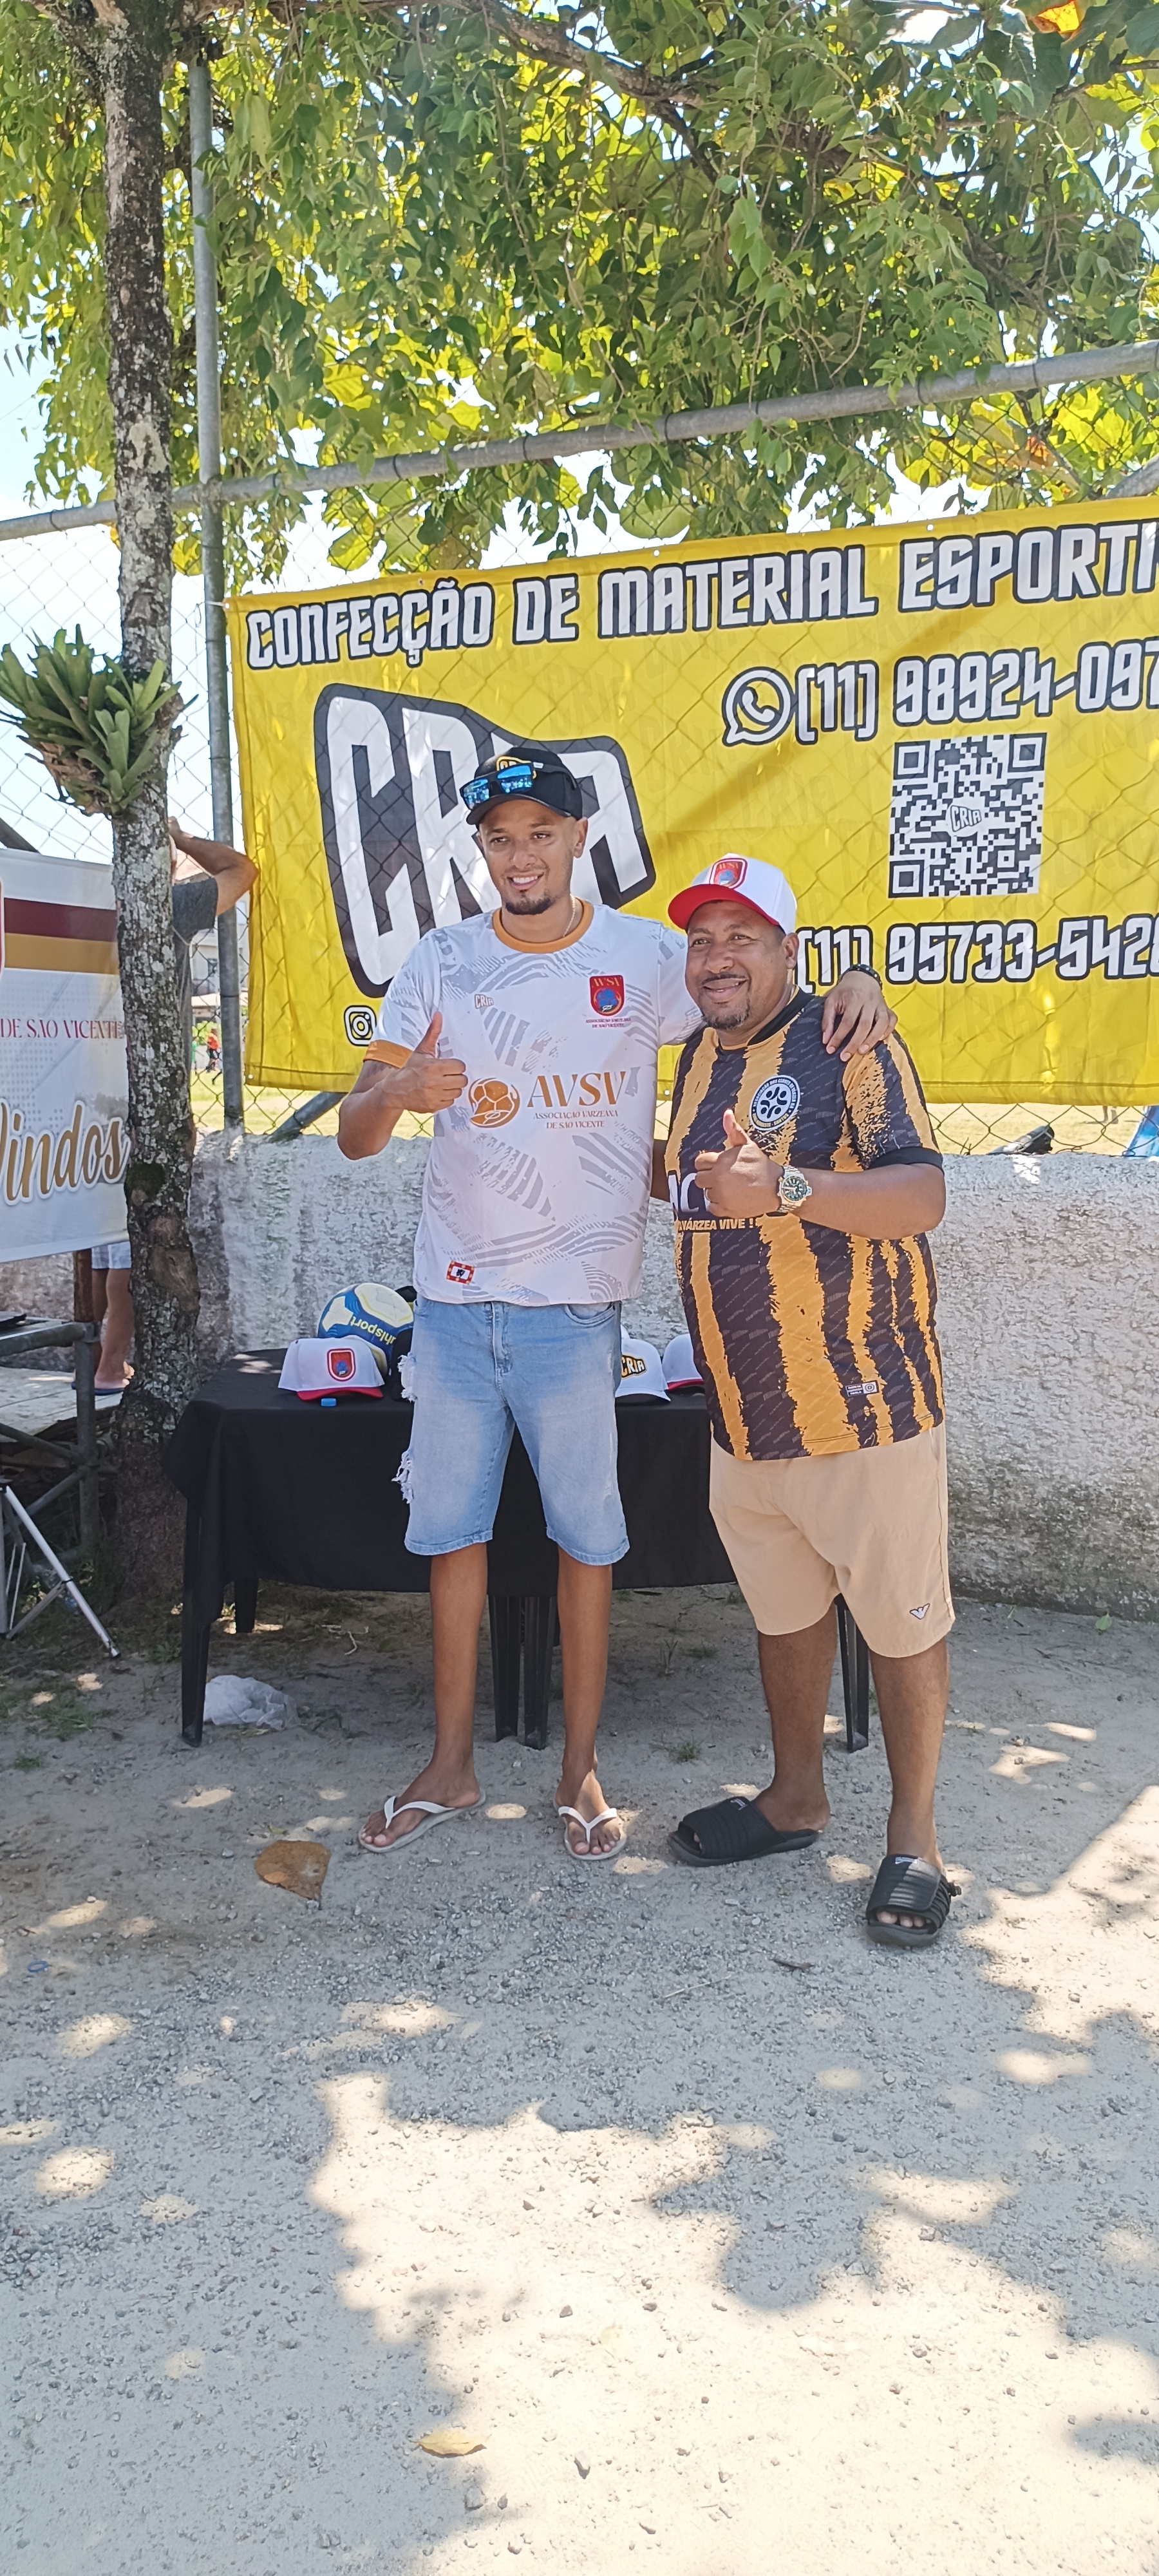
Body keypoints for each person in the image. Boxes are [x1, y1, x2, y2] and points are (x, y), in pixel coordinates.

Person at [337, 748, 892, 1861]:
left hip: (578, 1307)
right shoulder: (441, 960)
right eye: (501, 840)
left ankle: (579, 1769)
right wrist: (394, 1089)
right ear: (482, 850)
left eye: (541, 835)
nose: (521, 857)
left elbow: (751, 987)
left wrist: (858, 982)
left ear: (577, 839)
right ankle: (450, 1766)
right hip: (453, 1304)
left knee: (587, 1543)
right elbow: (357, 1131)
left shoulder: (643, 957)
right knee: (451, 1537)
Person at [661, 855, 955, 1950]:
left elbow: (921, 1194)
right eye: (703, 939)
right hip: (744, 1416)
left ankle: (917, 1840)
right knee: (783, 1616)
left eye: (742, 936)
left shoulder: (849, 1041)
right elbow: (695, 1186)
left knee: (902, 1620)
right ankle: (795, 1800)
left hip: (864, 1406)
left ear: (790, 951)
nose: (718, 957)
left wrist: (787, 1187)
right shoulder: (696, 1056)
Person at [89, 817, 256, 1394]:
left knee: (99, 1235)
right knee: (132, 1243)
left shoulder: (92, 903)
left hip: (82, 1094)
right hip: (144, 1099)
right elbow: (242, 870)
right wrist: (184, 842)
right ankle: (110, 1366)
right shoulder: (169, 908)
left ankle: (102, 1361)